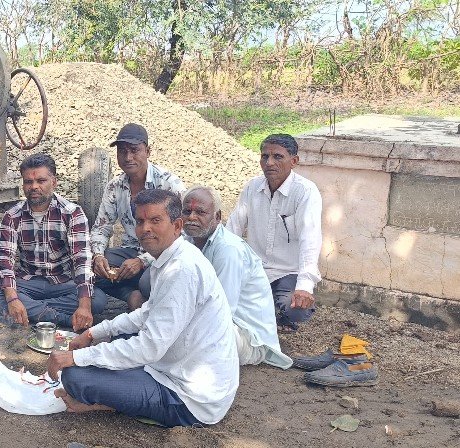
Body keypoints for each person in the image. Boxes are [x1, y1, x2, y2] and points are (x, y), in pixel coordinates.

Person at [47, 189, 239, 427]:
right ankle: (117, 395)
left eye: (155, 221)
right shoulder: (171, 258)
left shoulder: (183, 269)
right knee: (110, 341)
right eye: (140, 221)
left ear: (177, 226)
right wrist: (93, 333)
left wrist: (76, 357)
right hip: (178, 368)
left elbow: (150, 348)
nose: (145, 228)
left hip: (191, 400)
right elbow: (148, 313)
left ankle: (109, 402)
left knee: (77, 376)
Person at [0, 153, 102, 331]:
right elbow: (5, 261)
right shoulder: (12, 216)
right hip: (28, 281)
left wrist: (84, 306)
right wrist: (14, 298)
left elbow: (82, 262)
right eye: (28, 182)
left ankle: (31, 310)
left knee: (98, 300)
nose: (34, 187)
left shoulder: (72, 213)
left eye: (41, 181)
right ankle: (60, 318)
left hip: (63, 283)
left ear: (54, 182)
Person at [182, 186, 292, 368]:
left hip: (247, 338)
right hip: (215, 323)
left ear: (217, 217)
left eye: (200, 212)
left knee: (187, 334)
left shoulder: (228, 250)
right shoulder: (188, 241)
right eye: (187, 211)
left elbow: (221, 312)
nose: (192, 217)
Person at [227, 133, 322, 332]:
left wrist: (304, 285)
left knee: (296, 310)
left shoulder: (305, 192)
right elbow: (233, 229)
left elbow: (310, 238)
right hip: (254, 269)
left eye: (277, 157)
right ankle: (264, 311)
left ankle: (277, 314)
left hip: (287, 271)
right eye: (264, 156)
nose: (269, 163)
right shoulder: (253, 187)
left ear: (293, 161)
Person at [91, 123, 185, 311]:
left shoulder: (168, 184)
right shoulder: (114, 187)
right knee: (90, 271)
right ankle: (131, 296)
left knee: (147, 283)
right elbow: (101, 227)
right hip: (130, 250)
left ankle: (146, 296)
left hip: (163, 253)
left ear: (148, 151)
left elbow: (184, 234)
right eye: (122, 151)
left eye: (135, 150)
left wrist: (143, 261)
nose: (128, 157)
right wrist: (98, 256)